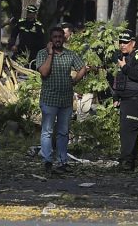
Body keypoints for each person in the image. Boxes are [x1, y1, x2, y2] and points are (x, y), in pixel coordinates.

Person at [36, 27, 89, 173]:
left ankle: (62, 161)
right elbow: (44, 72)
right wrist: (50, 53)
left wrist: (75, 81)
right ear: (50, 39)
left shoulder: (70, 54)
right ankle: (47, 161)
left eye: (60, 36)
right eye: (55, 37)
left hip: (65, 100)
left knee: (63, 132)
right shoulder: (42, 53)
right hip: (49, 99)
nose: (58, 39)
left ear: (64, 38)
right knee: (47, 131)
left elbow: (82, 68)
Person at [112, 29, 138, 170]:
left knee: (127, 132)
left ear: (133, 43)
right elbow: (119, 79)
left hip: (136, 100)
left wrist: (125, 67)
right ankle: (133, 161)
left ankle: (125, 162)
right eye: (120, 42)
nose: (122, 45)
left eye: (125, 42)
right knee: (129, 131)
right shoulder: (122, 57)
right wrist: (116, 96)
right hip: (126, 100)